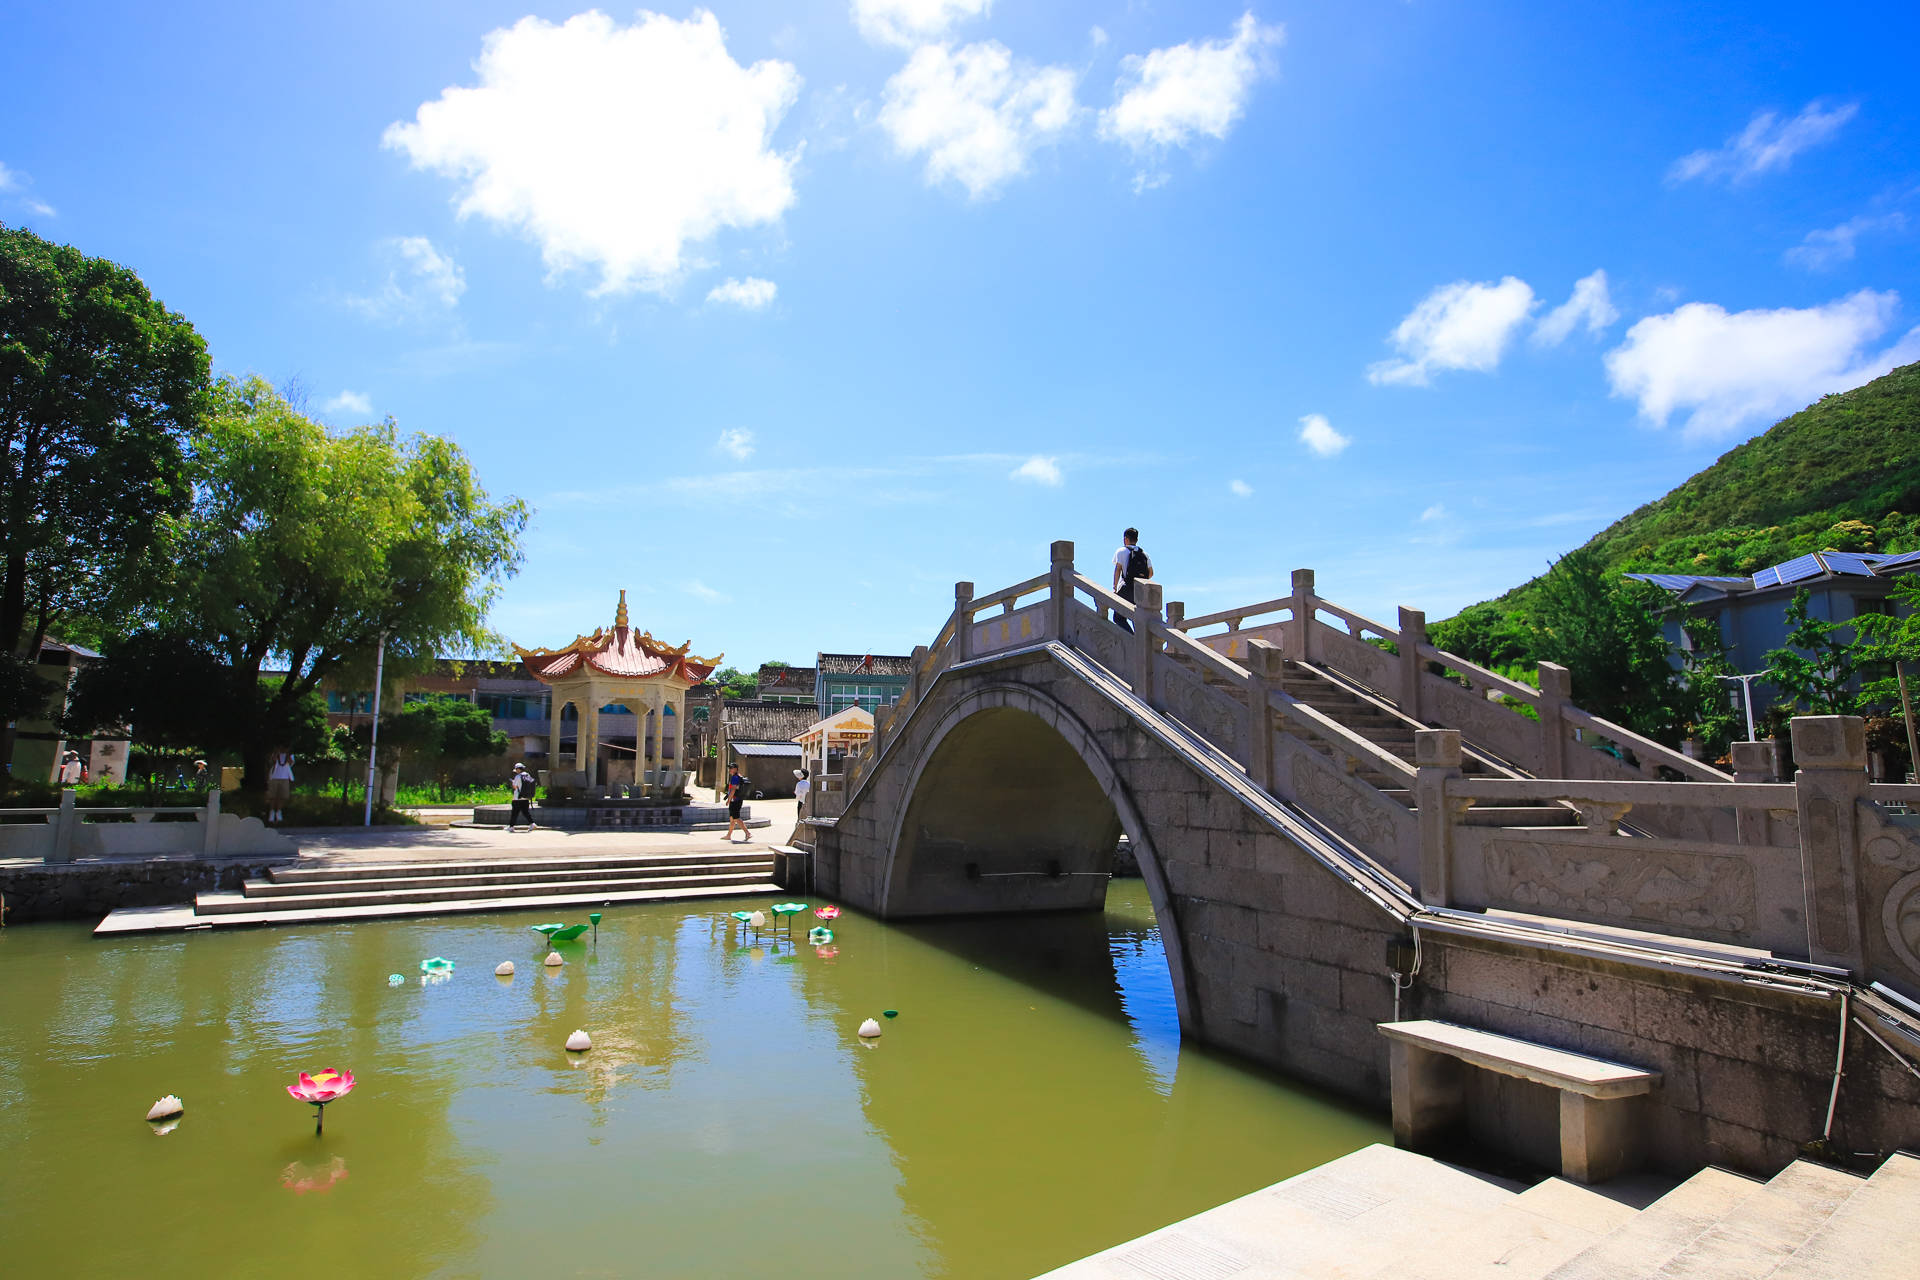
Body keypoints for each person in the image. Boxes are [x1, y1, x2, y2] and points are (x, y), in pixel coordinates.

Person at [1112, 526, 1153, 633]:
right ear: (1136, 539)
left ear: (1125, 538)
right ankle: (1140, 640)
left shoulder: (1121, 551)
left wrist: (1115, 588)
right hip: (1140, 591)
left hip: (1125, 588)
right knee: (1137, 618)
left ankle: (1131, 637)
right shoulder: (1144, 554)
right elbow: (1151, 573)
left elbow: (1118, 570)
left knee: (1119, 618)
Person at [266, 748, 295, 825]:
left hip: (284, 778)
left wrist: (287, 754)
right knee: (273, 796)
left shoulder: (290, 755)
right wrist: (276, 752)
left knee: (283, 796)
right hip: (274, 777)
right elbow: (272, 761)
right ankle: (272, 813)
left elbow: (291, 763)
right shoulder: (274, 753)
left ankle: (279, 812)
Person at [725, 764, 750, 843]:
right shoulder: (738, 776)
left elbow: (733, 790)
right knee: (732, 818)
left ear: (735, 769)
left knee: (736, 818)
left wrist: (728, 800)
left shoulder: (735, 778)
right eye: (729, 768)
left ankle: (747, 833)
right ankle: (729, 835)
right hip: (737, 800)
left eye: (731, 768)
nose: (730, 770)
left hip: (735, 800)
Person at [508, 763, 537, 831]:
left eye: (516, 769)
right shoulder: (528, 775)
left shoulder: (518, 777)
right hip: (526, 797)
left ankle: (511, 827)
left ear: (518, 769)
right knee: (525, 812)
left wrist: (513, 782)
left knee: (514, 812)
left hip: (517, 798)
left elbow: (515, 787)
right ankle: (532, 824)